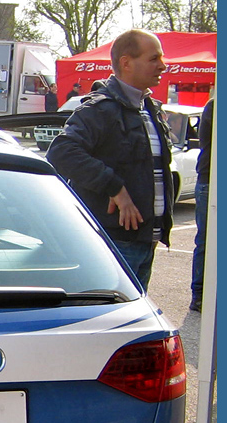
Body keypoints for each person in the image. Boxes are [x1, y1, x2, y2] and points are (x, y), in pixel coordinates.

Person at [46, 29, 174, 290]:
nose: (163, 65)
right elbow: (61, 152)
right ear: (126, 63)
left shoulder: (151, 108)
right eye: (154, 59)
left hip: (144, 241)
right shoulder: (100, 109)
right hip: (115, 243)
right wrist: (115, 187)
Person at [190, 96, 213, 312]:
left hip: (208, 180)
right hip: (209, 181)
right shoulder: (215, 106)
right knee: (206, 240)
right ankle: (199, 294)